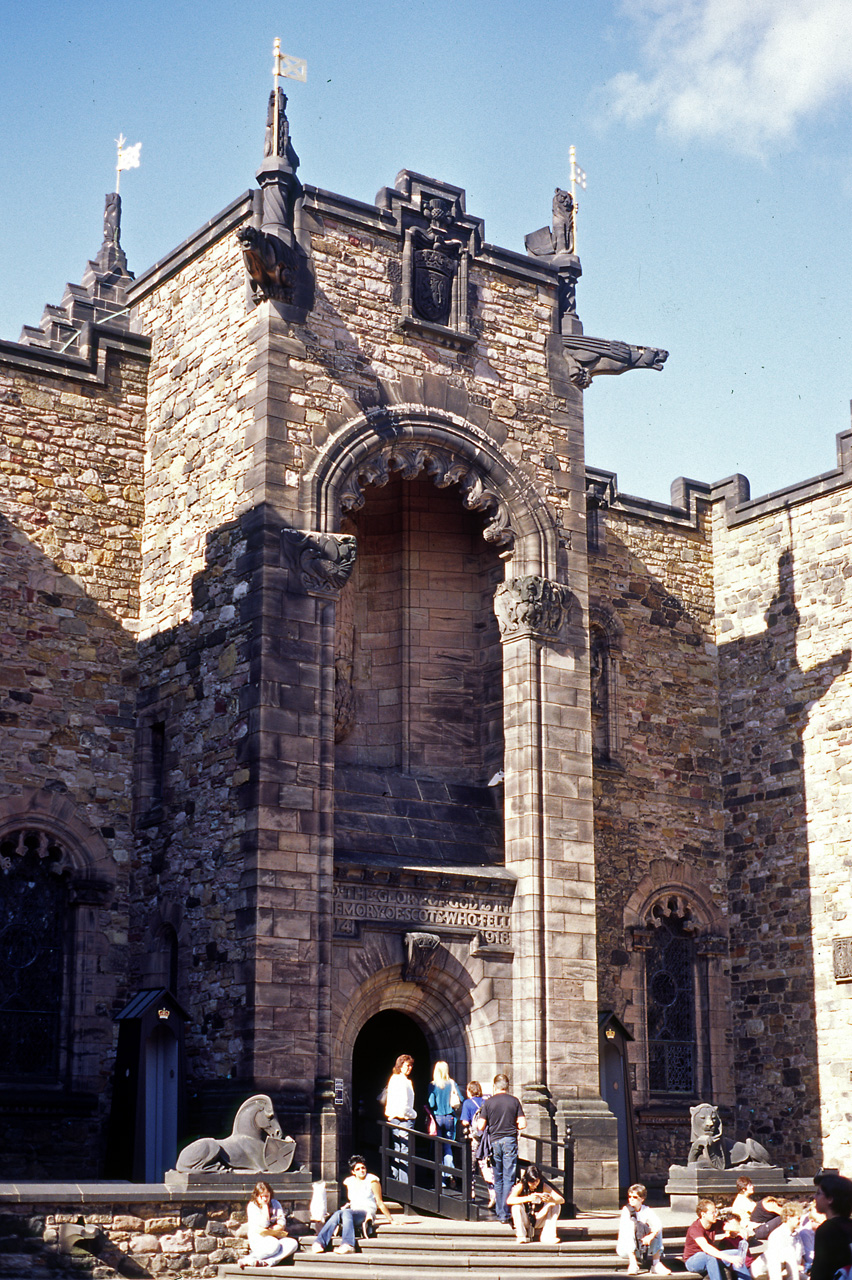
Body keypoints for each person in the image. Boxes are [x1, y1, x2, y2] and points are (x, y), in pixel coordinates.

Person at [311, 1154, 393, 1255]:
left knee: (346, 1213)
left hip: (366, 1212)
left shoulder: (372, 1180)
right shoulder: (350, 1181)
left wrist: (391, 1220)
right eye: (358, 1169)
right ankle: (320, 1242)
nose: (362, 1170)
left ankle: (348, 1244)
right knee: (339, 1213)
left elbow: (379, 1202)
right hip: (352, 1212)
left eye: (363, 1167)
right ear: (353, 1172)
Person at [476, 1073, 526, 1226]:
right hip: (510, 1141)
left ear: (494, 1086)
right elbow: (522, 1124)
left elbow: (480, 1126)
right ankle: (506, 1211)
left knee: (497, 1178)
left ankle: (500, 1213)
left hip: (494, 1142)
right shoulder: (514, 1101)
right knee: (508, 1178)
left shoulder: (489, 1102)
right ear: (507, 1086)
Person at [683, 1198, 751, 1280]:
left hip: (710, 1257)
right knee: (710, 1257)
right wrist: (728, 1258)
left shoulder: (714, 1223)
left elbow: (730, 1226)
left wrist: (741, 1229)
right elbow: (706, 1248)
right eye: (713, 1213)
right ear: (703, 1214)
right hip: (693, 1261)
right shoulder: (695, 1228)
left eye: (716, 1211)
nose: (716, 1214)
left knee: (736, 1253)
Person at [616, 1183, 670, 1274]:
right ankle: (633, 1263)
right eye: (630, 1196)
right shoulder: (626, 1210)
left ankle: (656, 1264)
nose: (631, 1199)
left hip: (641, 1247)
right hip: (626, 1249)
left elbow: (658, 1224)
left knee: (657, 1229)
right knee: (629, 1226)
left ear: (642, 1199)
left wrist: (650, 1236)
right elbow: (625, 1231)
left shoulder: (646, 1210)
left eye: (634, 1197)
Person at [243, 1180, 299, 1268]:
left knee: (292, 1243)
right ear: (257, 1196)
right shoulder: (252, 1206)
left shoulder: (275, 1204)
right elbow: (264, 1224)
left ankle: (268, 1262)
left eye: (267, 1196)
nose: (265, 1199)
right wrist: (265, 1207)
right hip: (259, 1239)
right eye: (262, 1197)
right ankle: (249, 1259)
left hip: (275, 1236)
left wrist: (272, 1229)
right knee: (274, 1244)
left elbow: (281, 1224)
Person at [506, 1163, 564, 1244]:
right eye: (532, 1182)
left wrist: (550, 1199)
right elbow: (509, 1200)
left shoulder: (543, 1186)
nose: (535, 1184)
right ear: (527, 1180)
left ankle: (548, 1236)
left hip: (539, 1216)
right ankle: (521, 1236)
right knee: (516, 1207)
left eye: (537, 1181)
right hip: (525, 1218)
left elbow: (561, 1200)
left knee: (555, 1205)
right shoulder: (521, 1186)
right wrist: (527, 1198)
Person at [811, 1173, 852, 1280]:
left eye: (818, 1193)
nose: (814, 1197)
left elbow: (820, 1272)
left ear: (830, 1199)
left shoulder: (827, 1230)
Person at [460, 1081, 495, 1207]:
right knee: (486, 1166)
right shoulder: (486, 1102)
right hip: (486, 1139)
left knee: (471, 1167)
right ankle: (492, 1193)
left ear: (469, 1091)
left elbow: (464, 1121)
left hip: (474, 1139)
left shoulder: (468, 1103)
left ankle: (471, 1193)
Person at [427, 1061, 463, 1180]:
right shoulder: (452, 1083)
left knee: (438, 1147)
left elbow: (431, 1103)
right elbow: (461, 1098)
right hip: (449, 1117)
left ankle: (441, 1179)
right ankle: (450, 1173)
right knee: (448, 1146)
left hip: (437, 1118)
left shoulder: (433, 1085)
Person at [384, 1053, 416, 1184]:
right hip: (403, 1119)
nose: (410, 1068)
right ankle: (404, 1184)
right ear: (401, 1065)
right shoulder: (404, 1081)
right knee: (404, 1151)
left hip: (393, 1118)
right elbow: (404, 1104)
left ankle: (395, 1181)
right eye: (407, 1065)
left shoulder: (393, 1079)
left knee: (398, 1149)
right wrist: (413, 1115)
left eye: (411, 1066)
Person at [762, 1202, 805, 1280]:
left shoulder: (797, 1235)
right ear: (789, 1218)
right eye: (798, 1218)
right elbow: (777, 1263)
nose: (800, 1221)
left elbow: (801, 1258)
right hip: (783, 1274)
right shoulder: (777, 1235)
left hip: (797, 1272)